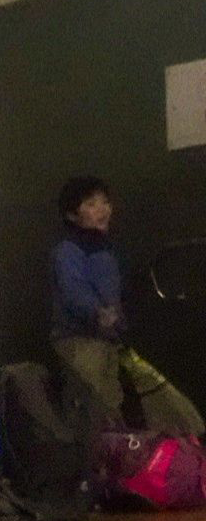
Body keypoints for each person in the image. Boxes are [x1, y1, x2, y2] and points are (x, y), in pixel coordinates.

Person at [49, 176, 204, 436]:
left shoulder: (106, 249)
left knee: (118, 398)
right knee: (96, 403)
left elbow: (115, 292)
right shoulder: (68, 249)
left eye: (105, 202)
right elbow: (73, 290)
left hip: (108, 340)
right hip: (80, 340)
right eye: (91, 204)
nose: (103, 209)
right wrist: (99, 313)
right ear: (72, 214)